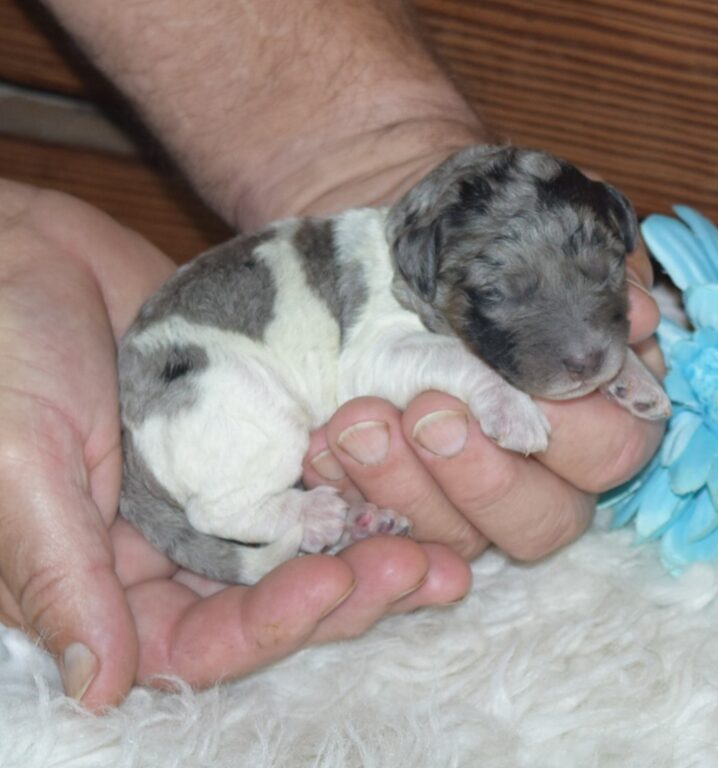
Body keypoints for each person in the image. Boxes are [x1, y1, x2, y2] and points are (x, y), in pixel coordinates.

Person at [0, 0, 665, 710]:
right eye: (508, 292)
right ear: (423, 263)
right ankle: (253, 515)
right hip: (194, 385)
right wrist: (492, 391)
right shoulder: (381, 277)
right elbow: (390, 364)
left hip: (195, 375)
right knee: (276, 435)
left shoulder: (432, 261)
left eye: (600, 274)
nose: (585, 344)